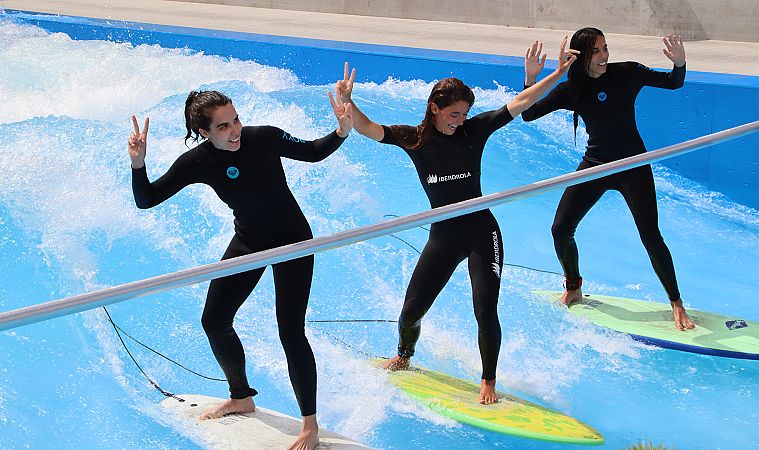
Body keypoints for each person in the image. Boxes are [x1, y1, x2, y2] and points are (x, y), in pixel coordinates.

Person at [337, 37, 577, 404]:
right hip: (444, 236)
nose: (459, 121)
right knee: (409, 314)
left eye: (464, 114)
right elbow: (369, 128)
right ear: (435, 108)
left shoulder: (474, 132)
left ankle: (488, 380)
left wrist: (556, 74)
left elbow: (520, 104)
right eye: (454, 115)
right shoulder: (414, 139)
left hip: (482, 231)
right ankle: (403, 356)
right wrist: (349, 102)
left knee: (485, 308)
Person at [127, 89, 352, 450]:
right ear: (204, 132)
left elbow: (311, 152)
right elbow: (147, 199)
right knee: (214, 320)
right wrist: (139, 164)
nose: (235, 131)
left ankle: (310, 426)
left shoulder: (263, 137)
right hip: (249, 241)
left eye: (236, 120)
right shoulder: (197, 162)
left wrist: (340, 131)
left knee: (290, 331)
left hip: (294, 240)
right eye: (223, 127)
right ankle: (241, 397)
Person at [520, 28, 695, 331]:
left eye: (605, 48)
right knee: (561, 229)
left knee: (650, 236)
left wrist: (679, 64)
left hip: (633, 166)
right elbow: (528, 114)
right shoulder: (572, 89)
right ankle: (573, 286)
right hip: (596, 166)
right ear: (581, 56)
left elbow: (672, 83)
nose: (604, 56)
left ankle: (676, 303)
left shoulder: (627, 73)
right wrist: (531, 79)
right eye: (596, 51)